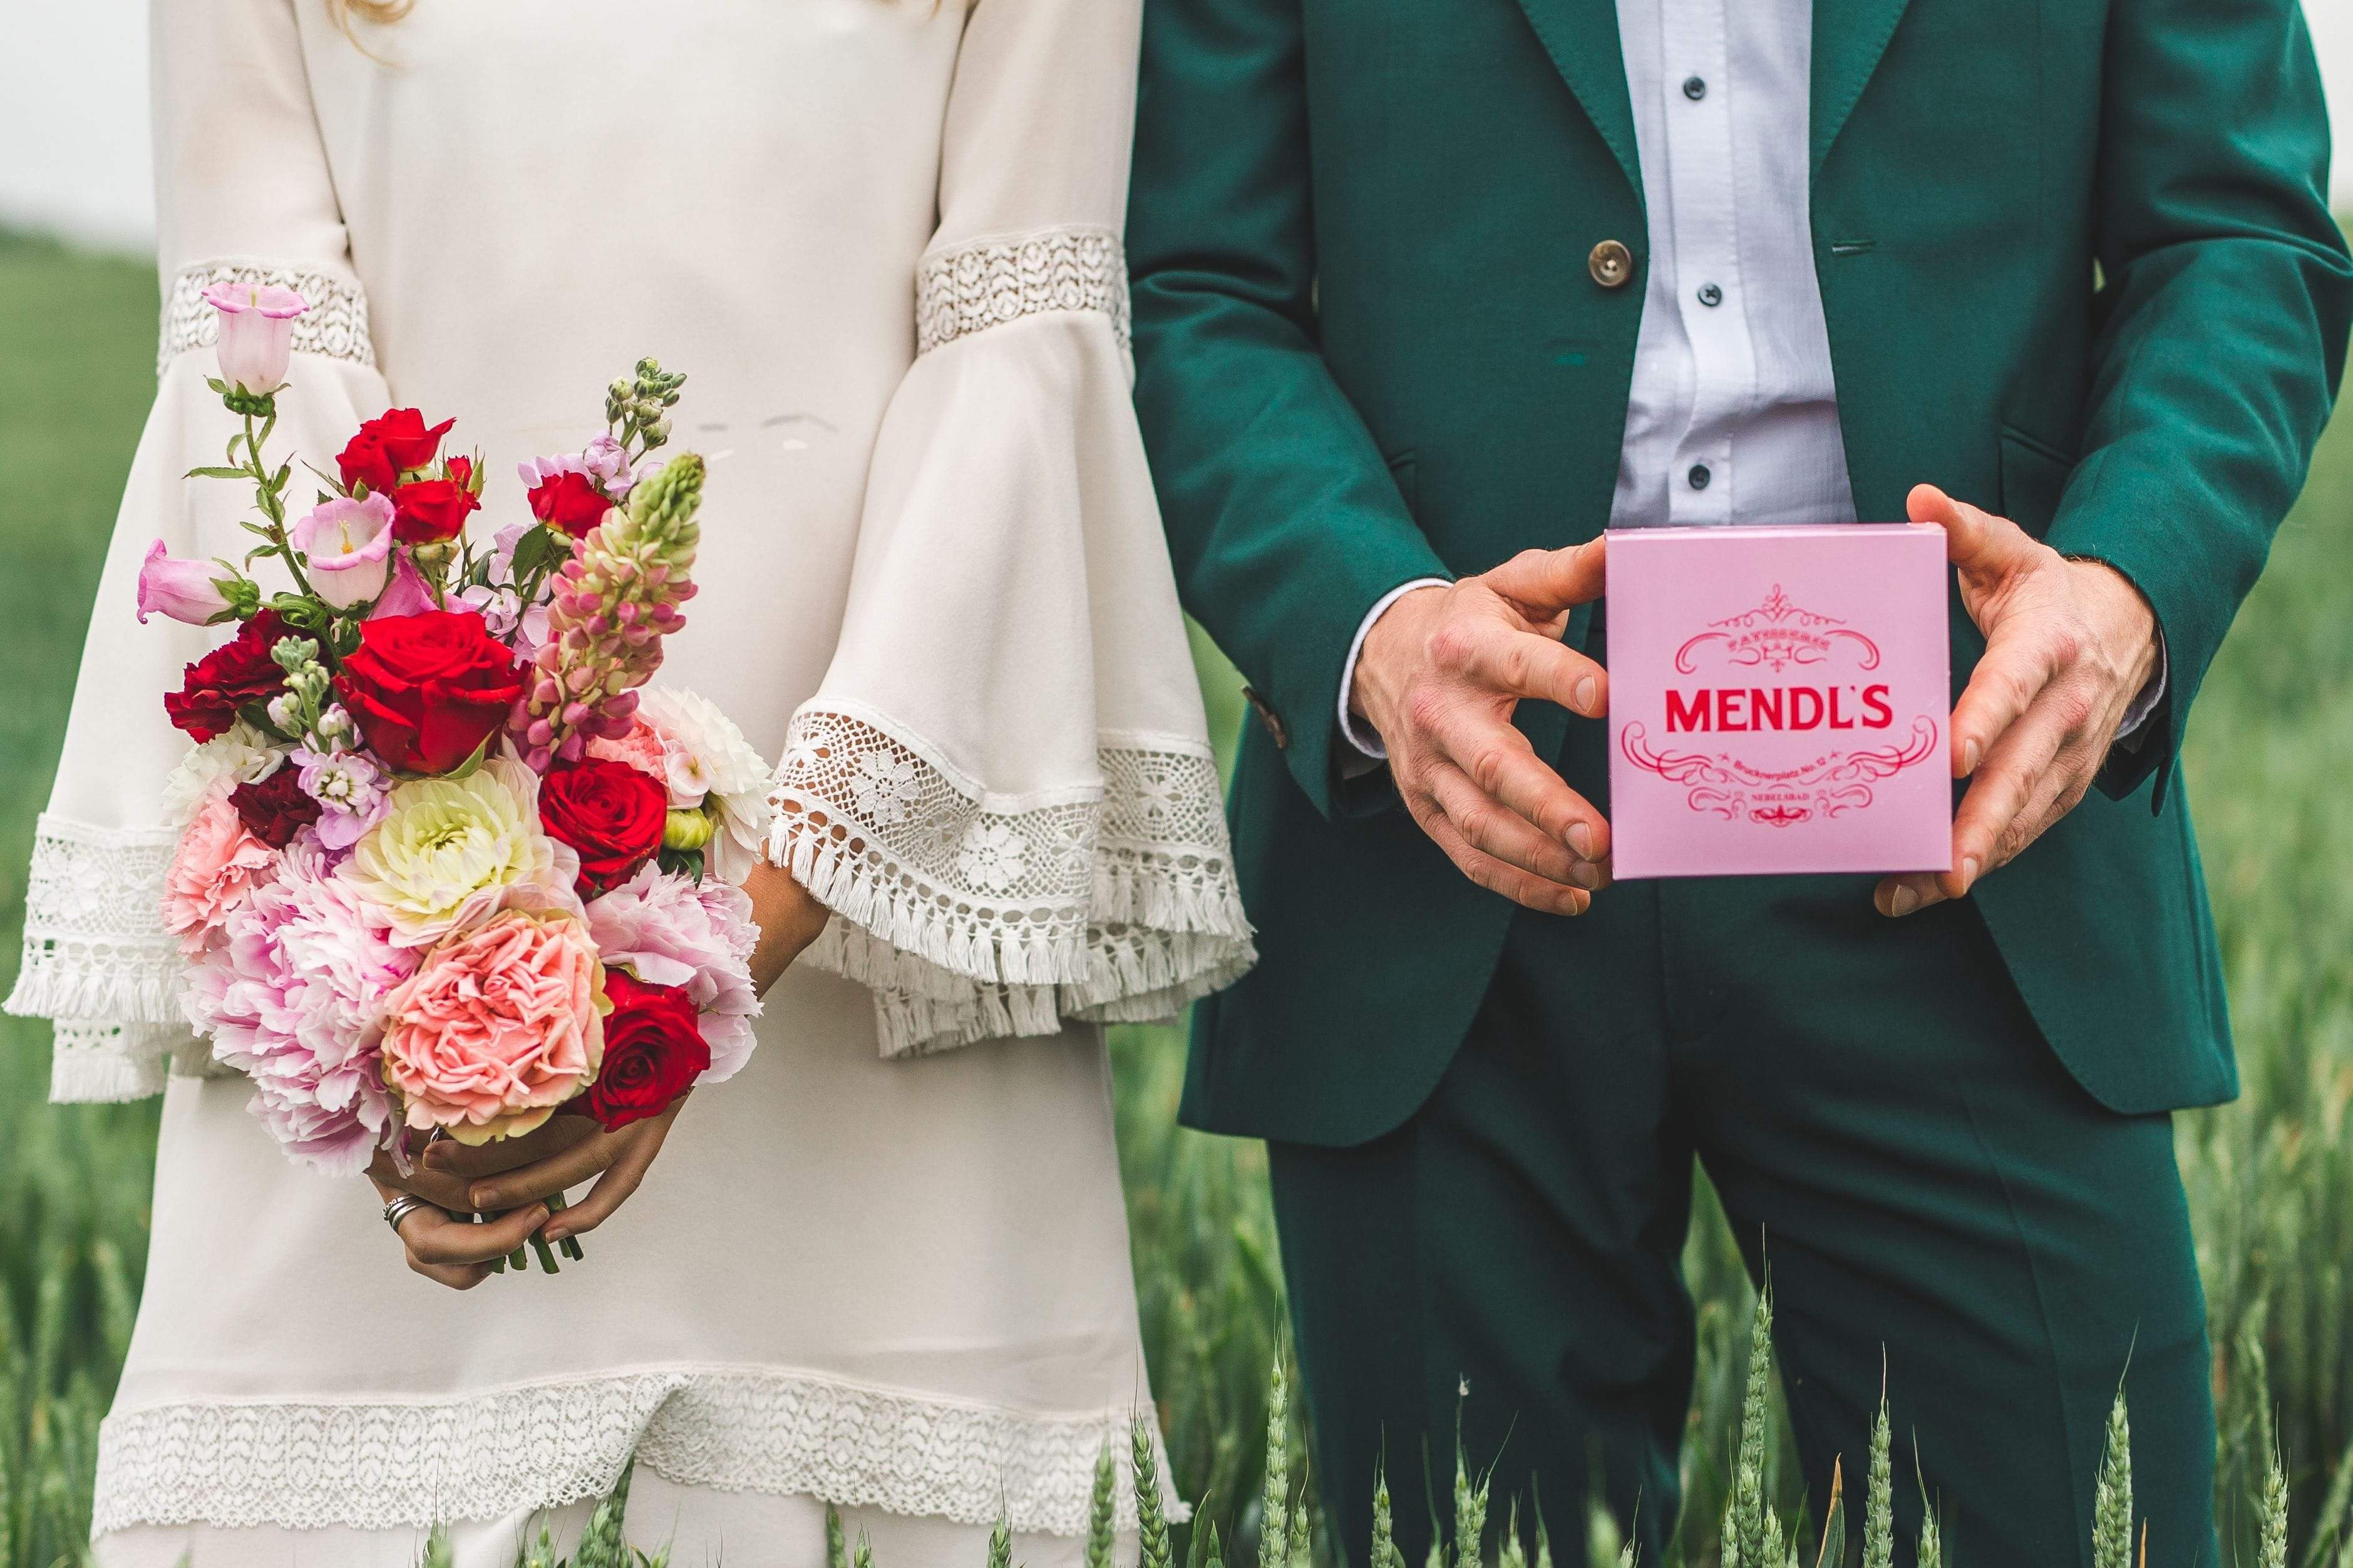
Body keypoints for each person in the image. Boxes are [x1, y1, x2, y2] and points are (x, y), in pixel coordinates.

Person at [4, 0, 1252, 1562]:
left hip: (863, 964)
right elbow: (262, 387)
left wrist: (720, 954)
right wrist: (451, 994)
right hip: (400, 934)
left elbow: (1016, 357)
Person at [1126, 0, 2350, 1560]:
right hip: (1453, 847)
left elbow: (2240, 236)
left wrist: (2123, 587)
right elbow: (1188, 288)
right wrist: (1364, 627)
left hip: (1969, 841)